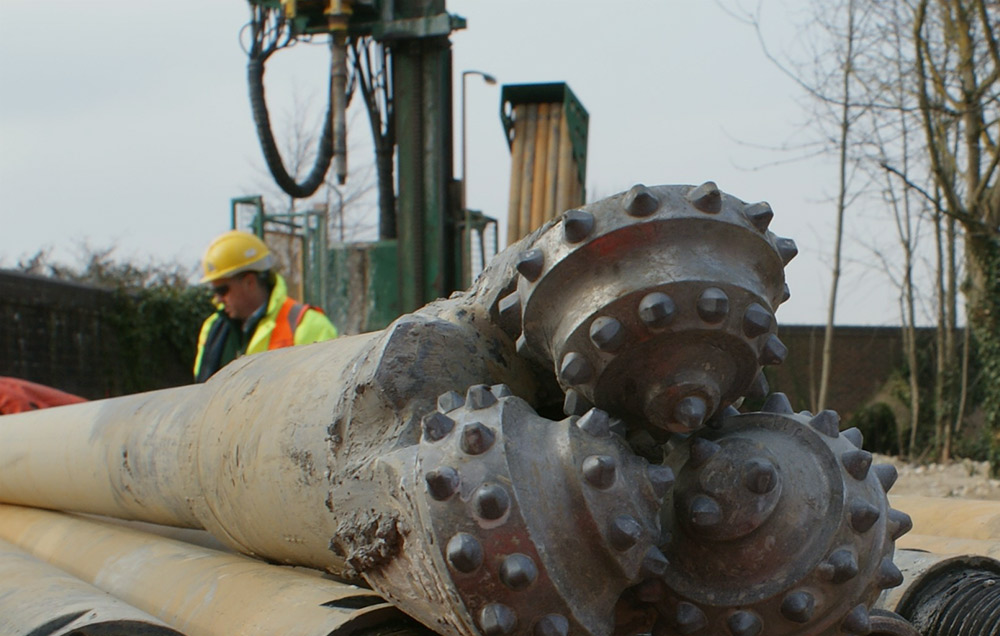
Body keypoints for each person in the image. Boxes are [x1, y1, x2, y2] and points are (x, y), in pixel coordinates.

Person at [193, 230, 337, 382]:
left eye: (222, 290)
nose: (218, 299)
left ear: (250, 282)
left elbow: (326, 391)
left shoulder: (307, 325)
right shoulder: (212, 328)